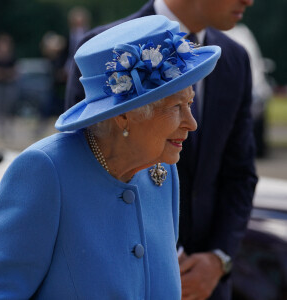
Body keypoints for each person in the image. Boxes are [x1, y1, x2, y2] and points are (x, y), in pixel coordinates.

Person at [0, 15, 221, 299]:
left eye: (190, 103)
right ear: (124, 116)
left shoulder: (160, 170)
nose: (191, 123)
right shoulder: (45, 170)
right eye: (176, 107)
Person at [65, 1, 258, 299]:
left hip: (207, 288)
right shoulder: (105, 51)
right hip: (124, 283)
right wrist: (156, 260)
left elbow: (240, 172)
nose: (249, 1)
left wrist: (218, 259)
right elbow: (85, 172)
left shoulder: (236, 59)